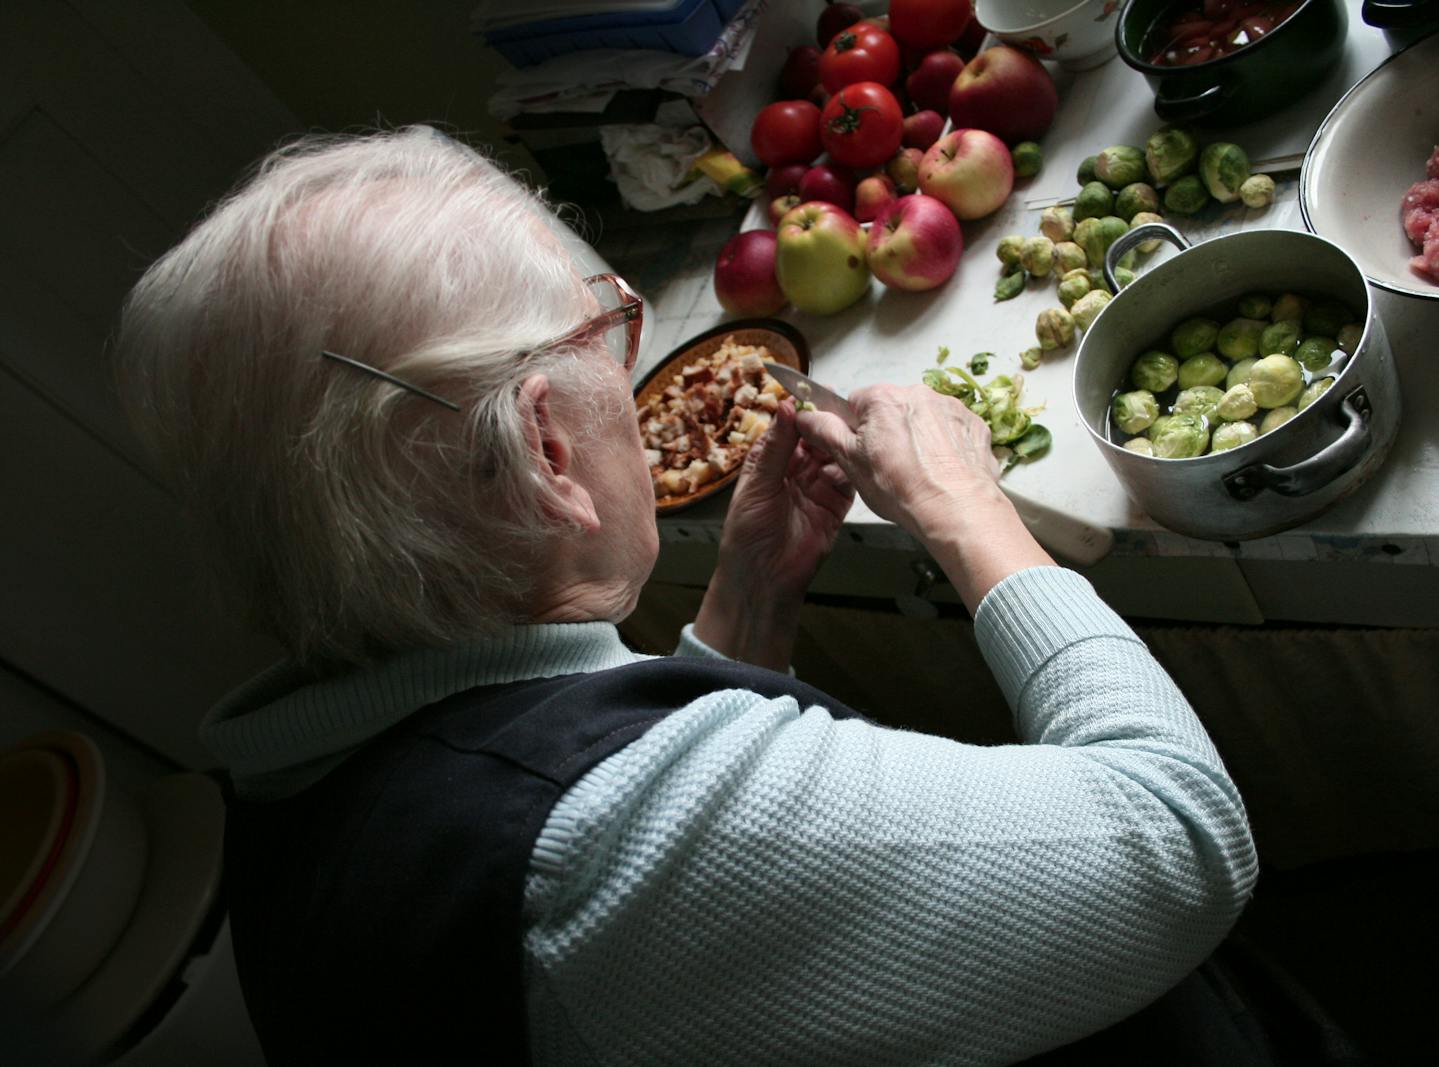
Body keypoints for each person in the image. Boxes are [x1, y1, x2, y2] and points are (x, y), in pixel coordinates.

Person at [115, 127, 1257, 1065]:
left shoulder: (290, 774)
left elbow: (681, 983)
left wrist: (744, 617)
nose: (630, 367)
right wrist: (965, 507)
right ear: (549, 448)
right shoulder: (600, 848)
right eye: (611, 328)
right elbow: (1179, 839)